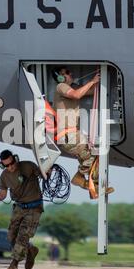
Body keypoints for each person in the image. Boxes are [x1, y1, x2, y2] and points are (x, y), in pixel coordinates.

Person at [52, 66, 114, 194]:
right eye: (67, 73)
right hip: (68, 134)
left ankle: (96, 187)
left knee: (93, 159)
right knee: (92, 157)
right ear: (60, 77)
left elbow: (89, 92)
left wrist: (99, 83)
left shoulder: (69, 89)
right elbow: (76, 95)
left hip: (72, 134)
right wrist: (92, 81)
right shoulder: (61, 86)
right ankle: (78, 178)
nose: (71, 74)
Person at [0, 150, 43, 269]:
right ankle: (30, 250)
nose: (10, 167)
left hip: (34, 207)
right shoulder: (4, 176)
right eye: (6, 165)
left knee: (23, 236)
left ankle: (13, 265)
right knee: (11, 237)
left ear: (15, 159)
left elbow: (43, 175)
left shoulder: (28, 166)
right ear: (2, 165)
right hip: (19, 207)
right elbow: (2, 194)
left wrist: (48, 170)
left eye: (12, 163)